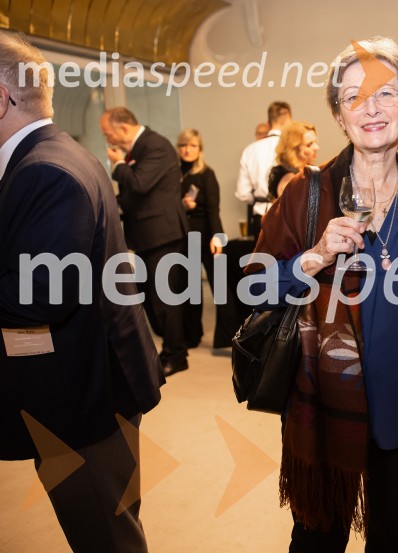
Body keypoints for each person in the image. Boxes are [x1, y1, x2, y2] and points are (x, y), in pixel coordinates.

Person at [247, 38, 398, 552]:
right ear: (337, 113)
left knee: (393, 538)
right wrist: (312, 257)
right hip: (326, 402)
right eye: (353, 97)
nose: (371, 109)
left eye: (386, 94)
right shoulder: (306, 193)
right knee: (317, 540)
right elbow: (252, 285)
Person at [0, 32, 163, 551]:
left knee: (106, 536)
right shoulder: (58, 152)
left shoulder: (45, 170)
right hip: (95, 379)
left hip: (82, 397)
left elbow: (39, 297)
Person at [101, 106, 190, 376]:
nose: (107, 139)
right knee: (150, 300)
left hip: (162, 234)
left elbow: (139, 184)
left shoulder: (156, 145)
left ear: (123, 128)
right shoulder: (138, 148)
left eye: (108, 133)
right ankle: (168, 350)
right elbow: (136, 194)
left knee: (165, 299)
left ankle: (176, 355)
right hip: (144, 235)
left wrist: (117, 164)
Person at [178, 128, 224, 349]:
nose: (187, 150)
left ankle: (227, 336)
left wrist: (217, 237)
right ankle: (191, 335)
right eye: (183, 145)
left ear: (200, 149)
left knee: (220, 287)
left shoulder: (207, 173)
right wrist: (181, 205)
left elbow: (214, 209)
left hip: (207, 235)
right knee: (190, 288)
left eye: (192, 145)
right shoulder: (173, 174)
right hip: (183, 236)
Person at [236, 101, 292, 238]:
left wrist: (260, 199)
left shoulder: (250, 150)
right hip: (289, 216)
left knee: (261, 259)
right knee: (291, 259)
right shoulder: (292, 148)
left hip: (260, 217)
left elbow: (242, 193)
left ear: (268, 122)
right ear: (290, 121)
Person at [268, 121, 320, 198]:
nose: (316, 147)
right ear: (294, 148)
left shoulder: (308, 169)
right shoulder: (289, 177)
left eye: (315, 142)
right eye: (309, 144)